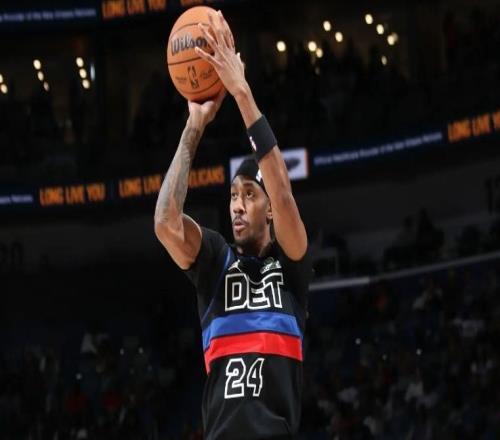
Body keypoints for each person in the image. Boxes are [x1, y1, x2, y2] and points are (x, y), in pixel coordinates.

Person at [154, 10, 311, 439]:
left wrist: (241, 92)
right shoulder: (215, 260)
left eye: (249, 195)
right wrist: (194, 126)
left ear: (269, 209)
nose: (238, 206)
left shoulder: (292, 266)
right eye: (233, 195)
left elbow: (283, 192)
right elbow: (165, 222)